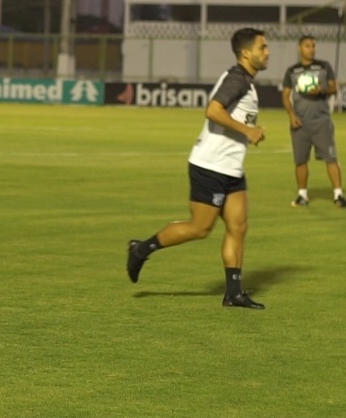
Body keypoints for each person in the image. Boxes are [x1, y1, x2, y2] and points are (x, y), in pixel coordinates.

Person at [126, 27, 270, 309]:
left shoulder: (246, 82)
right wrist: (247, 131)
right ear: (246, 52)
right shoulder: (237, 80)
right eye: (262, 47)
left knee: (238, 227)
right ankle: (141, 249)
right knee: (200, 228)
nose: (267, 52)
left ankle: (233, 293)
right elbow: (213, 110)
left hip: (232, 168)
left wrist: (247, 131)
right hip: (210, 166)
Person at [282, 35, 345, 208]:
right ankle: (302, 195)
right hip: (300, 123)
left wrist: (321, 90)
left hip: (322, 122)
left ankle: (338, 195)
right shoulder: (292, 71)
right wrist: (291, 115)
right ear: (299, 48)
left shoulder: (323, 66)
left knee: (331, 158)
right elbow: (286, 96)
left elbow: (334, 87)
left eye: (313, 46)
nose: (311, 49)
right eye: (307, 46)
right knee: (300, 160)